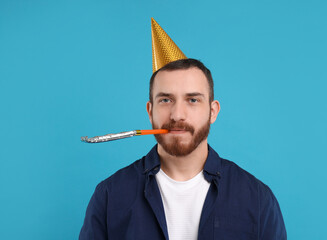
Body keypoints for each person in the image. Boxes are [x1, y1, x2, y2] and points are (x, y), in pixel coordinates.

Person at [79, 19, 286, 240]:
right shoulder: (110, 196)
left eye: (193, 100)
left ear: (213, 111)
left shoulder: (257, 199)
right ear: (150, 111)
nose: (177, 114)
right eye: (166, 100)